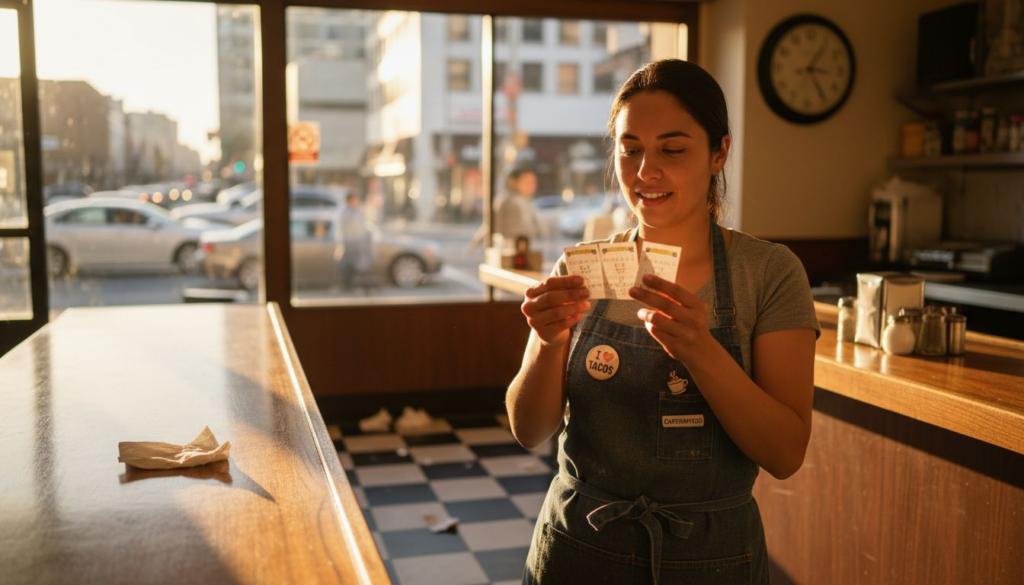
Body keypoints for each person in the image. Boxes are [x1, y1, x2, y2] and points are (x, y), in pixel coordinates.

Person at [509, 59, 820, 584]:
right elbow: (529, 428)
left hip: (713, 557)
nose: (645, 172)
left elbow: (785, 452)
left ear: (719, 152)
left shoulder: (768, 273)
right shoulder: (582, 269)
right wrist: (547, 341)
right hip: (579, 547)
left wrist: (701, 350)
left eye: (672, 150)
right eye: (630, 149)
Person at [467, 167, 544, 251]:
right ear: (514, 182)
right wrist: (474, 243)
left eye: (533, 182)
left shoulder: (526, 201)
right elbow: (490, 225)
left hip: (523, 248)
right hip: (509, 250)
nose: (532, 186)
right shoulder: (507, 201)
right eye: (527, 182)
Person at [334, 192, 373, 291]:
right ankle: (347, 286)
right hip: (350, 243)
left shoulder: (354, 211)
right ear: (350, 200)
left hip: (355, 243)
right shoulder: (346, 213)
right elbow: (353, 229)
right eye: (355, 199)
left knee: (353, 266)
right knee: (349, 266)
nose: (357, 202)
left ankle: (350, 286)